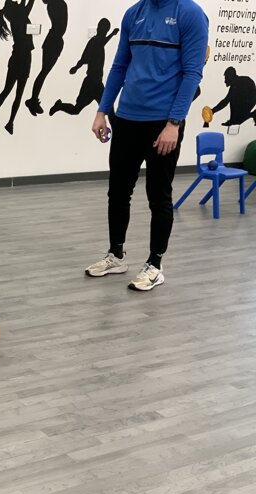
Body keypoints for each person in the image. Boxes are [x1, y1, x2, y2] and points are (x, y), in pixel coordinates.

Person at [85, 0, 208, 291]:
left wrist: (174, 123)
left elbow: (192, 73)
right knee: (118, 192)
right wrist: (102, 110)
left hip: (163, 123)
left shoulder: (190, 14)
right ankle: (116, 255)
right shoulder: (133, 14)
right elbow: (119, 66)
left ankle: (155, 265)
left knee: (159, 196)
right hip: (127, 117)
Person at [49, 18, 118, 116]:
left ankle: (118, 127)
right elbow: (84, 58)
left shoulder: (99, 42)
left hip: (98, 83)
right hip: (90, 83)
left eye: (106, 31)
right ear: (98, 29)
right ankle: (60, 106)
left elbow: (103, 41)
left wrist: (112, 34)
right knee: (76, 110)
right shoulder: (94, 42)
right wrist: (76, 67)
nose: (104, 33)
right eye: (104, 30)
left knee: (109, 110)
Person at [0, 0, 36, 136]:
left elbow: (25, 3)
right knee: (17, 94)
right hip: (24, 58)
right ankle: (9, 122)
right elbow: (28, 2)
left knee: (6, 91)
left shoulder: (16, 18)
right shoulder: (21, 16)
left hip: (17, 58)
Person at [25, 0, 68, 116]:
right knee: (43, 72)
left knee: (43, 72)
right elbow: (61, 24)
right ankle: (33, 100)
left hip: (53, 40)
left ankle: (33, 99)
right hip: (54, 41)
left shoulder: (53, 5)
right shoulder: (58, 4)